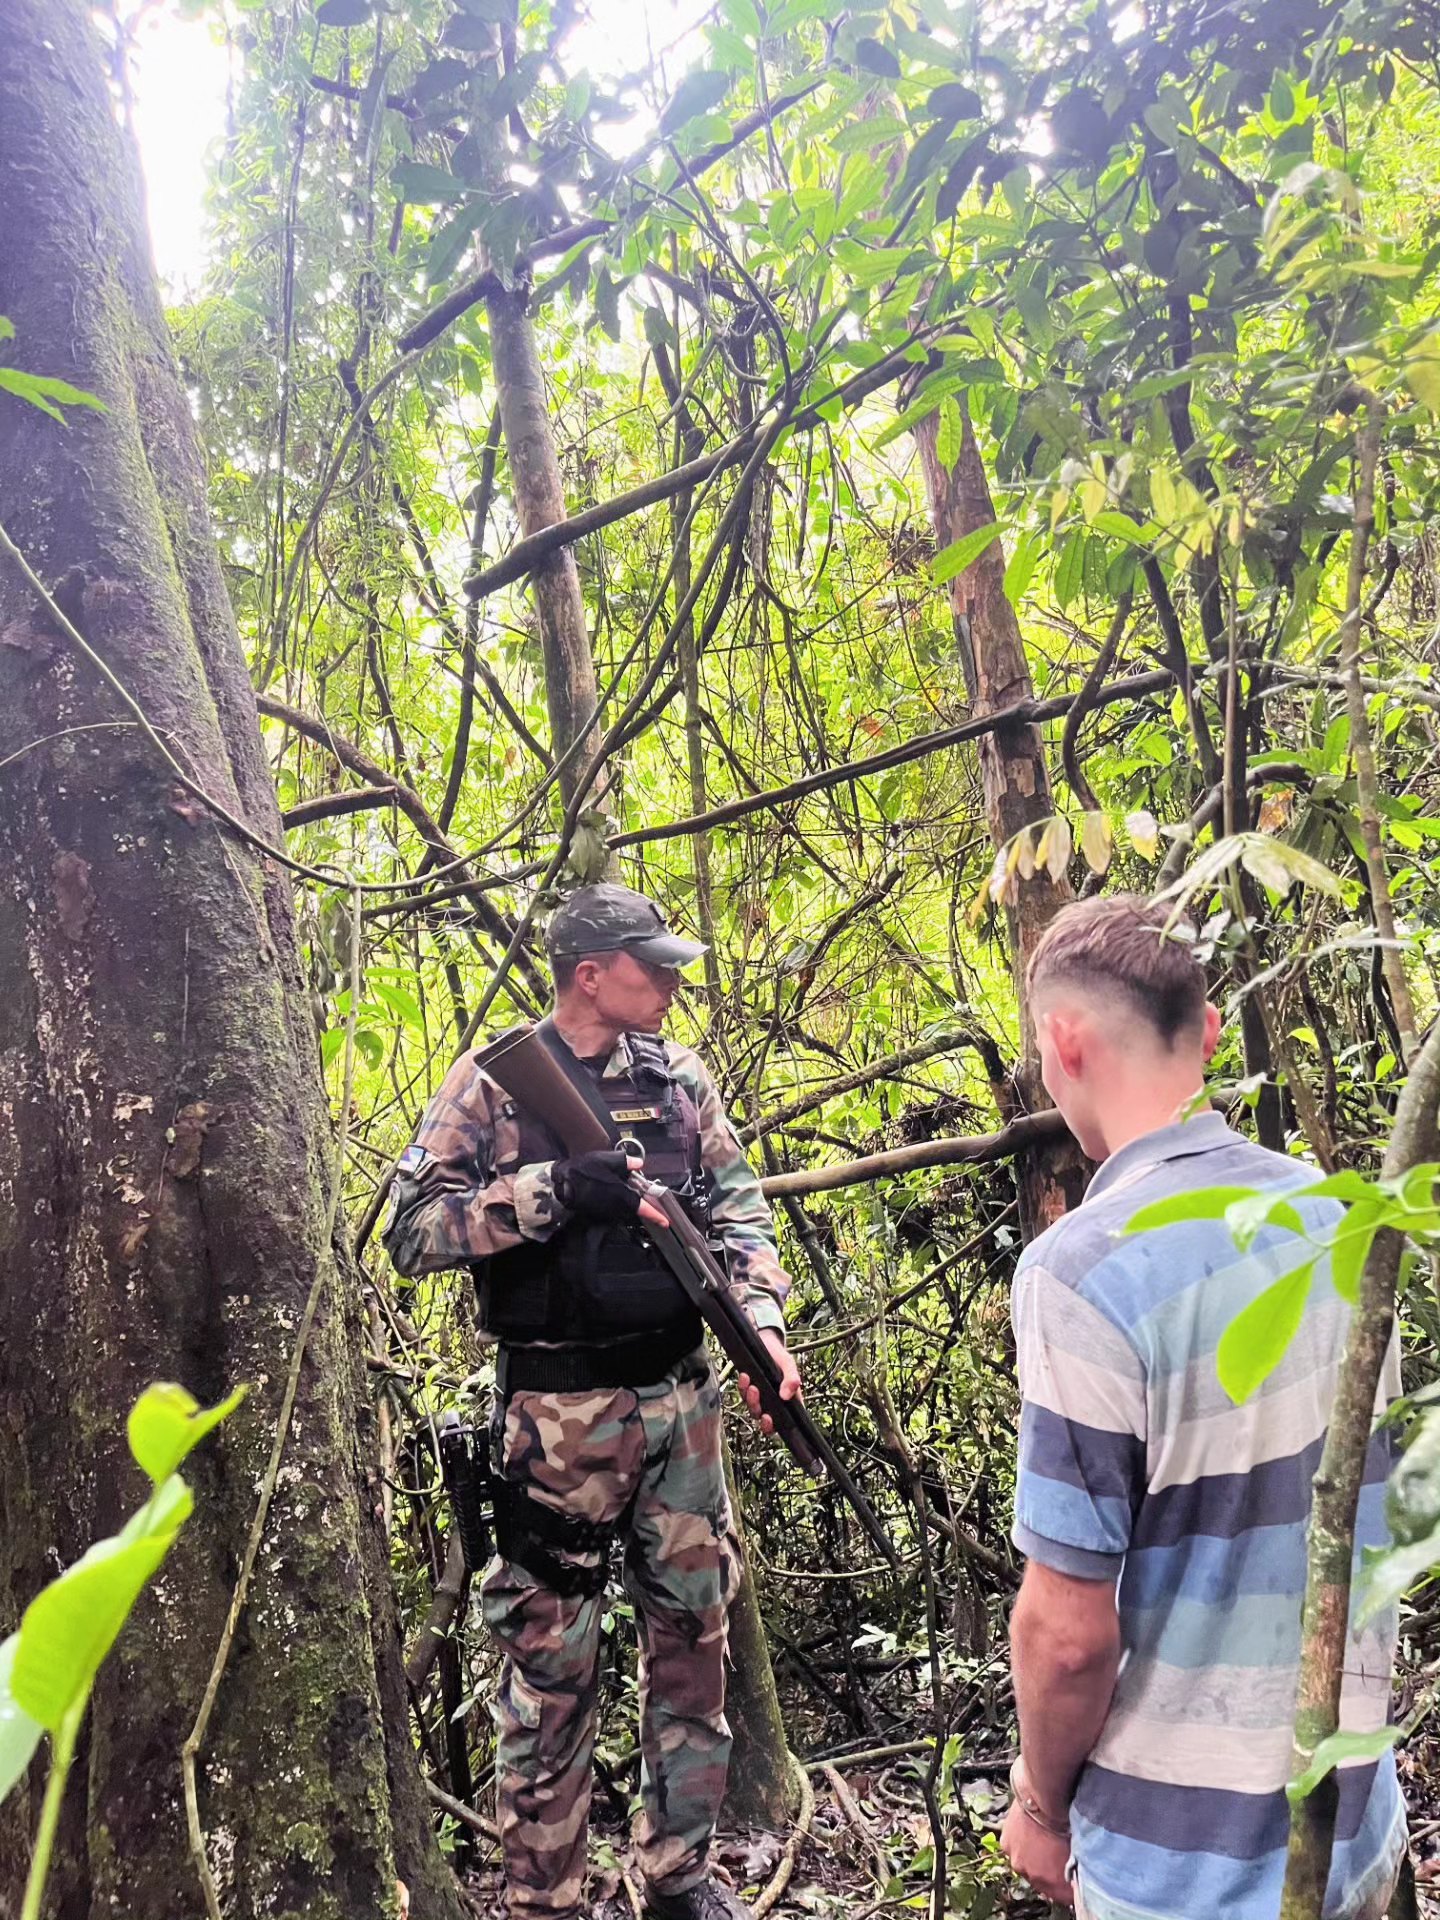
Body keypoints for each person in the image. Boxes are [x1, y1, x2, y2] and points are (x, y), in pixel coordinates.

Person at [383, 883, 801, 1920]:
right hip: (557, 1419)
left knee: (693, 1653)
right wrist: (550, 1194)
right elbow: (412, 1233)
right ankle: (545, 1901)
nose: (668, 980)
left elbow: (740, 1211)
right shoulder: (492, 1085)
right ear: (588, 972)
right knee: (549, 1676)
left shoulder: (679, 1080)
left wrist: (765, 1329)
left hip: (681, 1404)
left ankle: (676, 1879)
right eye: (649, 964)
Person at [1000, 894, 1402, 1920]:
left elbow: (1069, 1636)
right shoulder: (1347, 1221)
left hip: (1178, 1878)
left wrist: (1041, 1810)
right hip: (1352, 1833)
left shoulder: (1080, 1274)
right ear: (1212, 1034)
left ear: (1063, 1041)